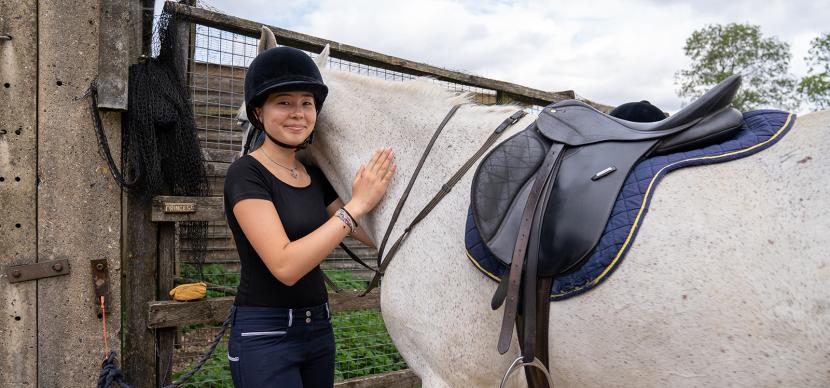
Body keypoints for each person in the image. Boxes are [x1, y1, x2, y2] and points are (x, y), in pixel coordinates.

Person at [224, 46, 396, 387]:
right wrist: (356, 206)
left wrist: (381, 198)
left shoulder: (314, 177)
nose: (298, 113)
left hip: (318, 328)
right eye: (283, 102)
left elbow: (367, 235)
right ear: (259, 111)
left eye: (307, 103)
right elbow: (285, 266)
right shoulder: (246, 174)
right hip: (265, 334)